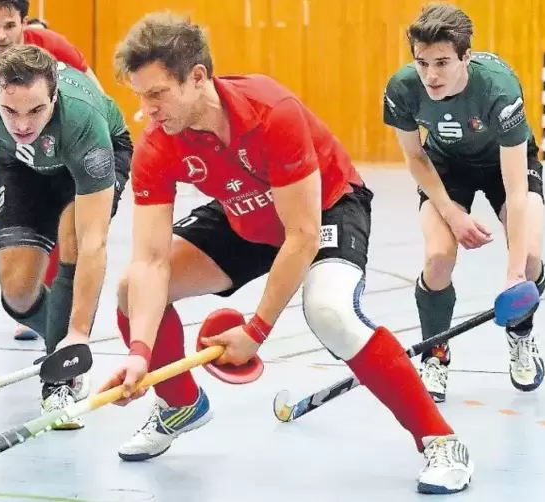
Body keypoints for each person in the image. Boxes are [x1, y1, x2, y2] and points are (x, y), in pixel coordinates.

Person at [98, 11, 473, 495]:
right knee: (134, 291)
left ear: (197, 78)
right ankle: (180, 404)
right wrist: (140, 354)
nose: (146, 110)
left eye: (156, 94)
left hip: (328, 207)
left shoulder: (272, 112)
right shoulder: (158, 142)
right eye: (139, 96)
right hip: (246, 212)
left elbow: (301, 234)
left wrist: (256, 331)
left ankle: (439, 440)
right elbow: (149, 260)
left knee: (330, 311)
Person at [0, 44, 132, 429]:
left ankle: (60, 376)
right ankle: (57, 339)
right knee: (17, 292)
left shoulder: (83, 120)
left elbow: (95, 243)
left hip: (90, 158)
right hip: (25, 166)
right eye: (10, 111)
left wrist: (78, 332)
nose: (22, 124)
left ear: (54, 96)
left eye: (36, 110)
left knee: (73, 239)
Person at [383, 3, 545, 403]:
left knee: (527, 261)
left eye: (442, 62)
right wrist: (451, 211)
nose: (431, 75)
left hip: (503, 164)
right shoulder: (402, 88)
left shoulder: (498, 88)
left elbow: (514, 186)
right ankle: (435, 354)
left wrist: (513, 277)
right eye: (422, 63)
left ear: (465, 57)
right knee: (438, 257)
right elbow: (415, 157)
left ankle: (521, 337)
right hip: (444, 166)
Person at [0, 0, 113, 342]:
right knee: (20, 272)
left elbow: (97, 95)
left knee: (70, 233)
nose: (1, 36)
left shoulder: (55, 47)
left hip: (70, 150)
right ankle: (54, 325)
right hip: (21, 158)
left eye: (9, 26)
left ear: (24, 22)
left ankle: (69, 333)